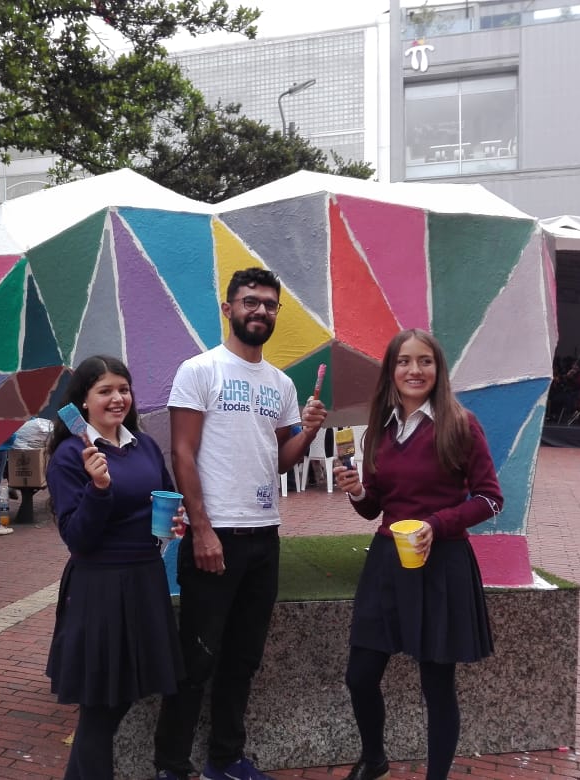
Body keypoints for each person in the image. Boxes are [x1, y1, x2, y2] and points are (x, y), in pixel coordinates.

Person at [153, 268, 327, 780]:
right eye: (251, 302)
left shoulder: (281, 383)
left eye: (270, 305)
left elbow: (279, 460)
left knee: (243, 658)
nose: (261, 311)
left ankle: (225, 759)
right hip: (216, 533)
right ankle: (171, 765)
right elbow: (182, 453)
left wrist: (309, 432)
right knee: (197, 658)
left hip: (264, 534)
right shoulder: (199, 370)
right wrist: (203, 529)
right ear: (228, 310)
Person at [332, 328, 503, 780]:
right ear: (391, 370)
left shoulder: (461, 424)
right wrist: (357, 492)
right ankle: (375, 759)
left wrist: (436, 524)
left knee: (437, 686)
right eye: (404, 361)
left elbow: (490, 498)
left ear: (437, 368)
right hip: (388, 563)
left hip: (442, 565)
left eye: (424, 361)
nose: (414, 370)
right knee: (360, 676)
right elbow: (374, 509)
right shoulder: (380, 430)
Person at [45, 355, 185, 780]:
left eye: (123, 389)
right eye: (104, 391)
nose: (117, 398)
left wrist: (174, 520)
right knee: (100, 708)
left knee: (121, 697)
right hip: (100, 587)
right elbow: (78, 538)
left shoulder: (142, 444)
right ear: (83, 401)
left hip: (144, 579)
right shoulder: (70, 456)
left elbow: (164, 490)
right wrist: (100, 489)